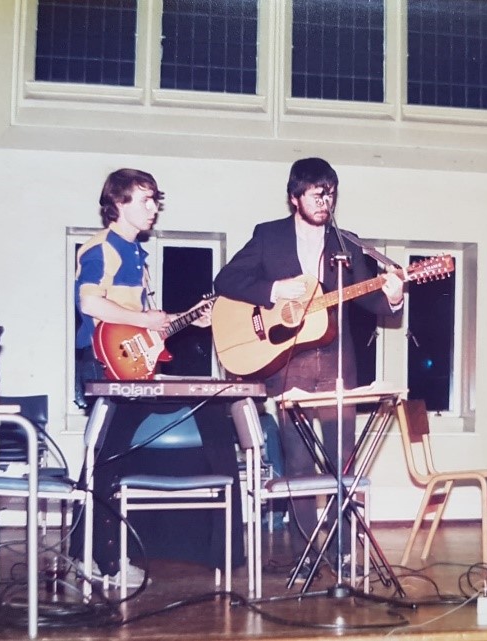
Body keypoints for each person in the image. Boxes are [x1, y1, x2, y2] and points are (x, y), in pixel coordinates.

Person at [214, 157, 404, 580]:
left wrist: (392, 296)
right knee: (298, 465)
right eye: (316, 193)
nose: (325, 200)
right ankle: (304, 553)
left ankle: (339, 551)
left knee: (342, 462)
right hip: (287, 364)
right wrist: (273, 290)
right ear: (294, 197)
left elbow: (369, 300)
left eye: (331, 192)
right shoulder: (269, 237)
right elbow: (224, 281)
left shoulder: (347, 244)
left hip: (338, 363)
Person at [70, 168, 243, 584]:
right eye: (145, 200)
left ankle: (224, 547)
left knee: (210, 414)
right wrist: (143, 317)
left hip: (131, 366)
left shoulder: (136, 256)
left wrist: (186, 320)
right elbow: (90, 305)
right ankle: (97, 558)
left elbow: (145, 325)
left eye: (155, 201)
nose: (153, 209)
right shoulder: (101, 250)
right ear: (118, 203)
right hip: (105, 368)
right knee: (105, 460)